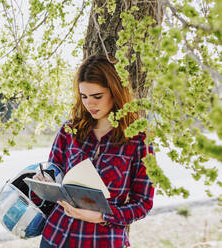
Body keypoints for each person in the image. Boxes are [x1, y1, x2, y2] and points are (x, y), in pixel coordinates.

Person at [33, 54, 155, 248]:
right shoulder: (69, 130)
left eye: (97, 96)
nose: (89, 103)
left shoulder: (138, 140)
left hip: (103, 241)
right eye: (84, 96)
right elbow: (53, 170)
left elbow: (143, 203)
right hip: (57, 237)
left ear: (115, 92)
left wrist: (101, 216)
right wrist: (45, 180)